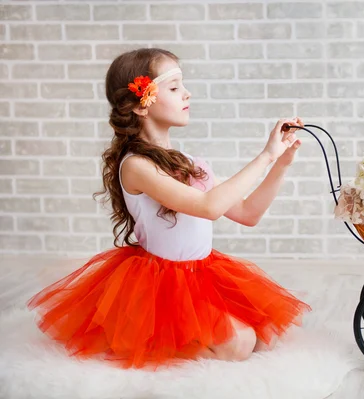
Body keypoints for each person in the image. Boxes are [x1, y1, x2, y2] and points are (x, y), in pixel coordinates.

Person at [26, 48, 311, 370]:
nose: (187, 93)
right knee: (238, 344)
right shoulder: (136, 166)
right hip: (160, 280)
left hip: (202, 272)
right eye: (174, 88)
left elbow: (247, 214)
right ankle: (144, 338)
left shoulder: (191, 163)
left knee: (266, 334)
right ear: (140, 105)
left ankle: (174, 337)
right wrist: (265, 156)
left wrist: (281, 163)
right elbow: (209, 207)